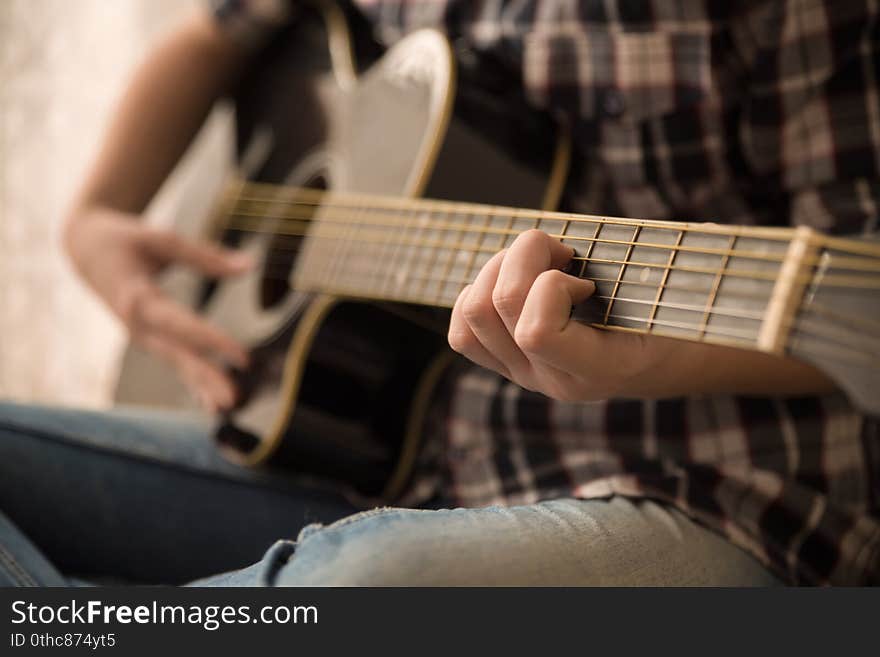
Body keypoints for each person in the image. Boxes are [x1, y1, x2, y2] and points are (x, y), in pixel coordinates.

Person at [1, 0, 877, 586]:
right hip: (375, 453)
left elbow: (852, 281)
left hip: (712, 482)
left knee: (361, 585)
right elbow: (208, 34)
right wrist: (94, 218)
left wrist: (642, 359)